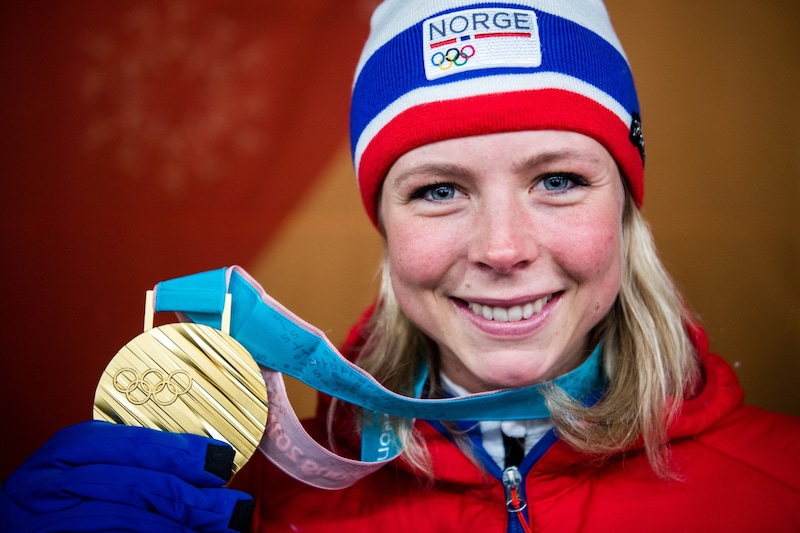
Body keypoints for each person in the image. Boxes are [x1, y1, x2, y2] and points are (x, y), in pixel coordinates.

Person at [2, 0, 799, 532]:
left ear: (624, 208)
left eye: (557, 180)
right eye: (440, 189)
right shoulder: (260, 508)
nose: (502, 247)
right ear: (382, 222)